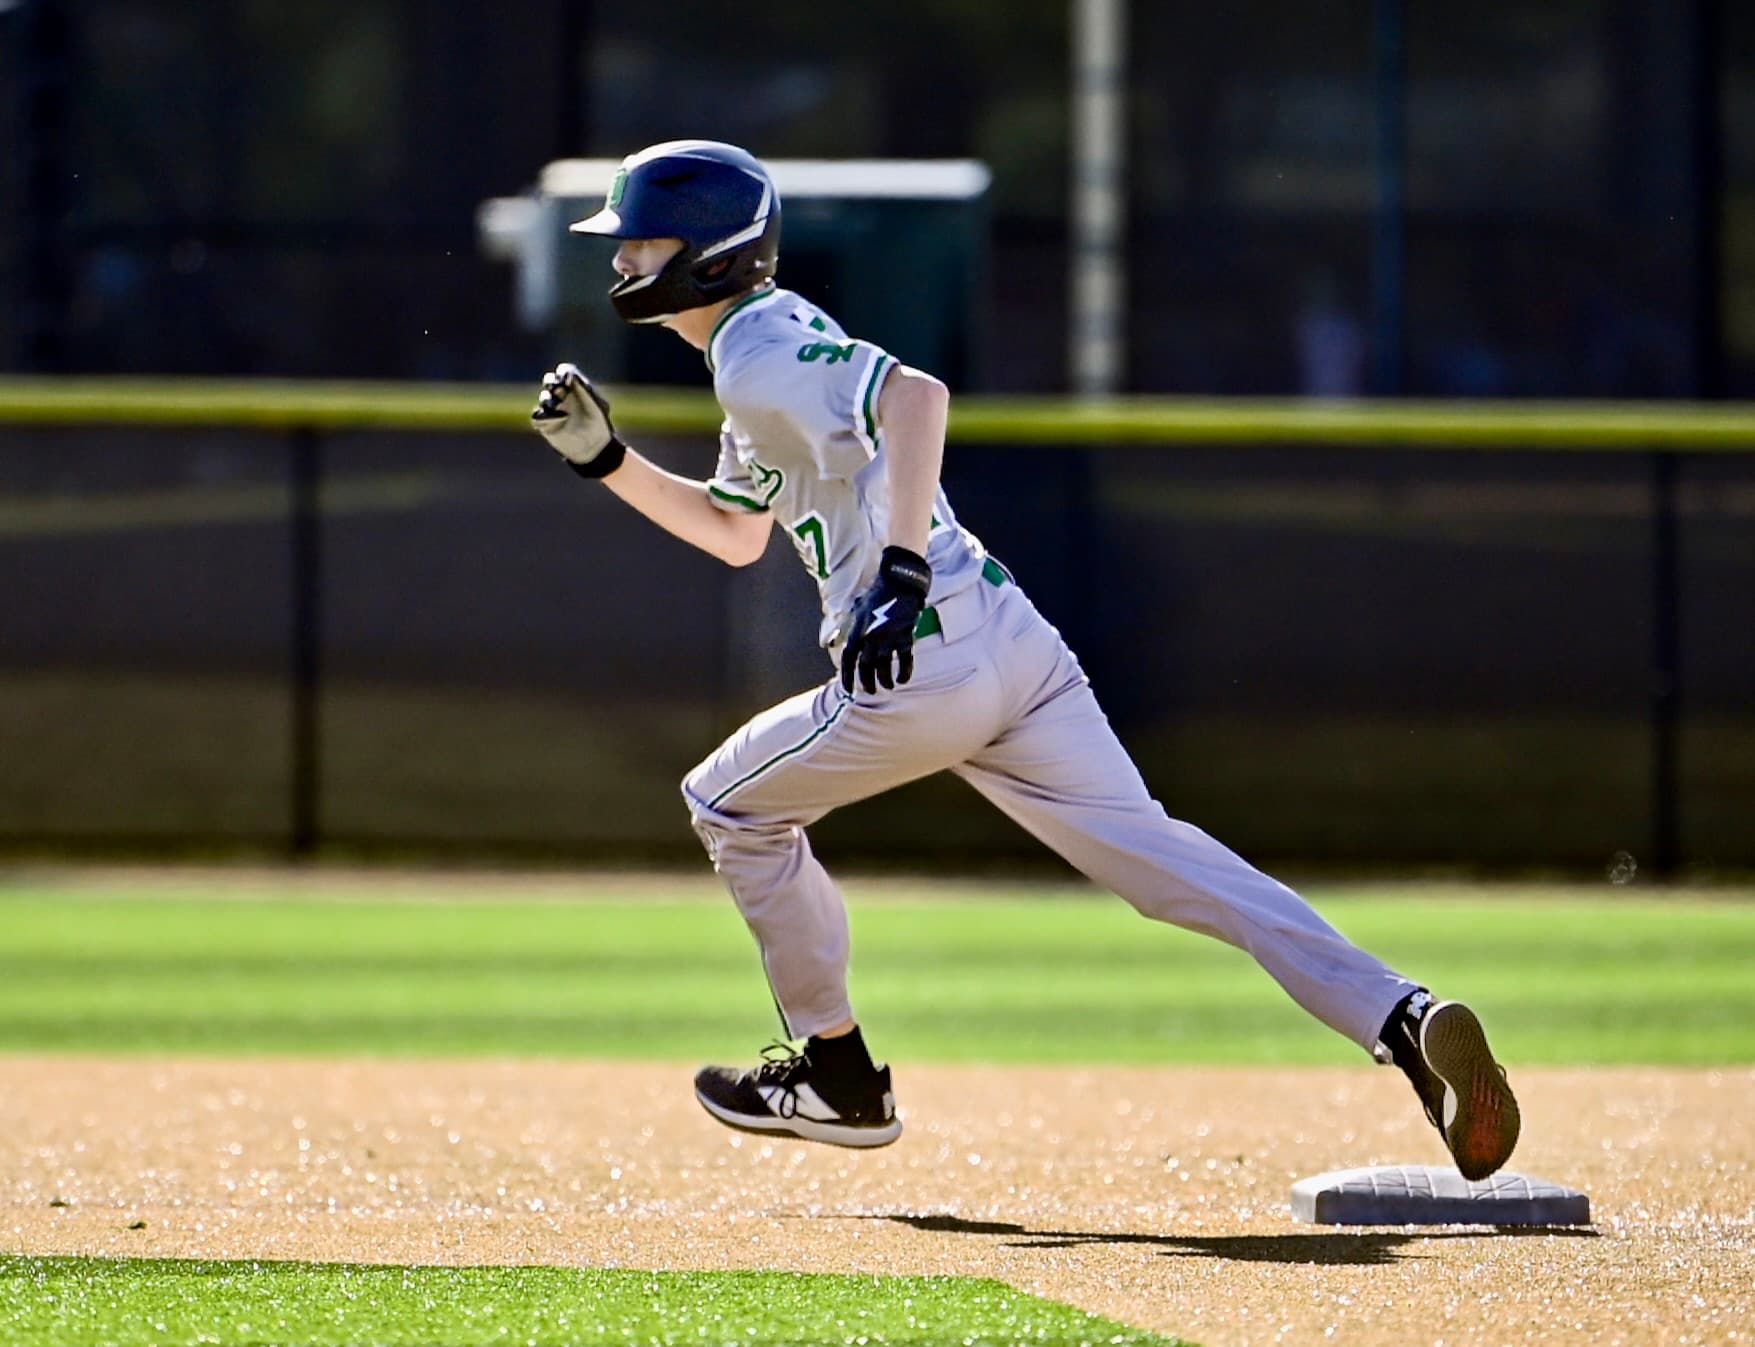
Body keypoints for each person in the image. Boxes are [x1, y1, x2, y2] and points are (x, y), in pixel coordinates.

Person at [530, 140, 1520, 1181]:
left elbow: (916, 398)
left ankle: (837, 1076)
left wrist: (899, 571)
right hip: (1008, 642)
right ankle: (1403, 1018)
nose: (622, 262)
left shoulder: (757, 350)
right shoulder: (757, 355)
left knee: (729, 806)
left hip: (921, 661)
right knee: (1170, 863)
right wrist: (609, 460)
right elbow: (737, 532)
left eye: (640, 241)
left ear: (711, 253)